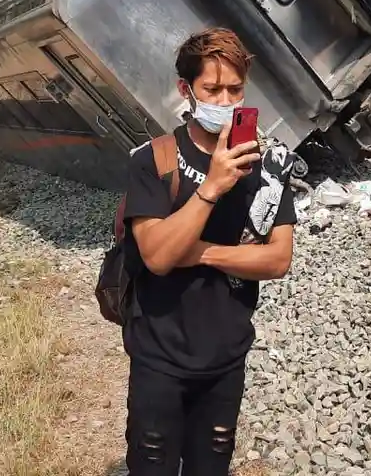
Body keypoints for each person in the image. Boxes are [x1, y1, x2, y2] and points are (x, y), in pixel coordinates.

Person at [121, 28, 297, 475]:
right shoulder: (153, 160)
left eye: (235, 89)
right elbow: (158, 257)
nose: (225, 100)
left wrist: (197, 252)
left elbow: (277, 260)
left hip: (226, 357)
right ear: (186, 90)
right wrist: (212, 187)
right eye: (211, 89)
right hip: (159, 356)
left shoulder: (270, 164)